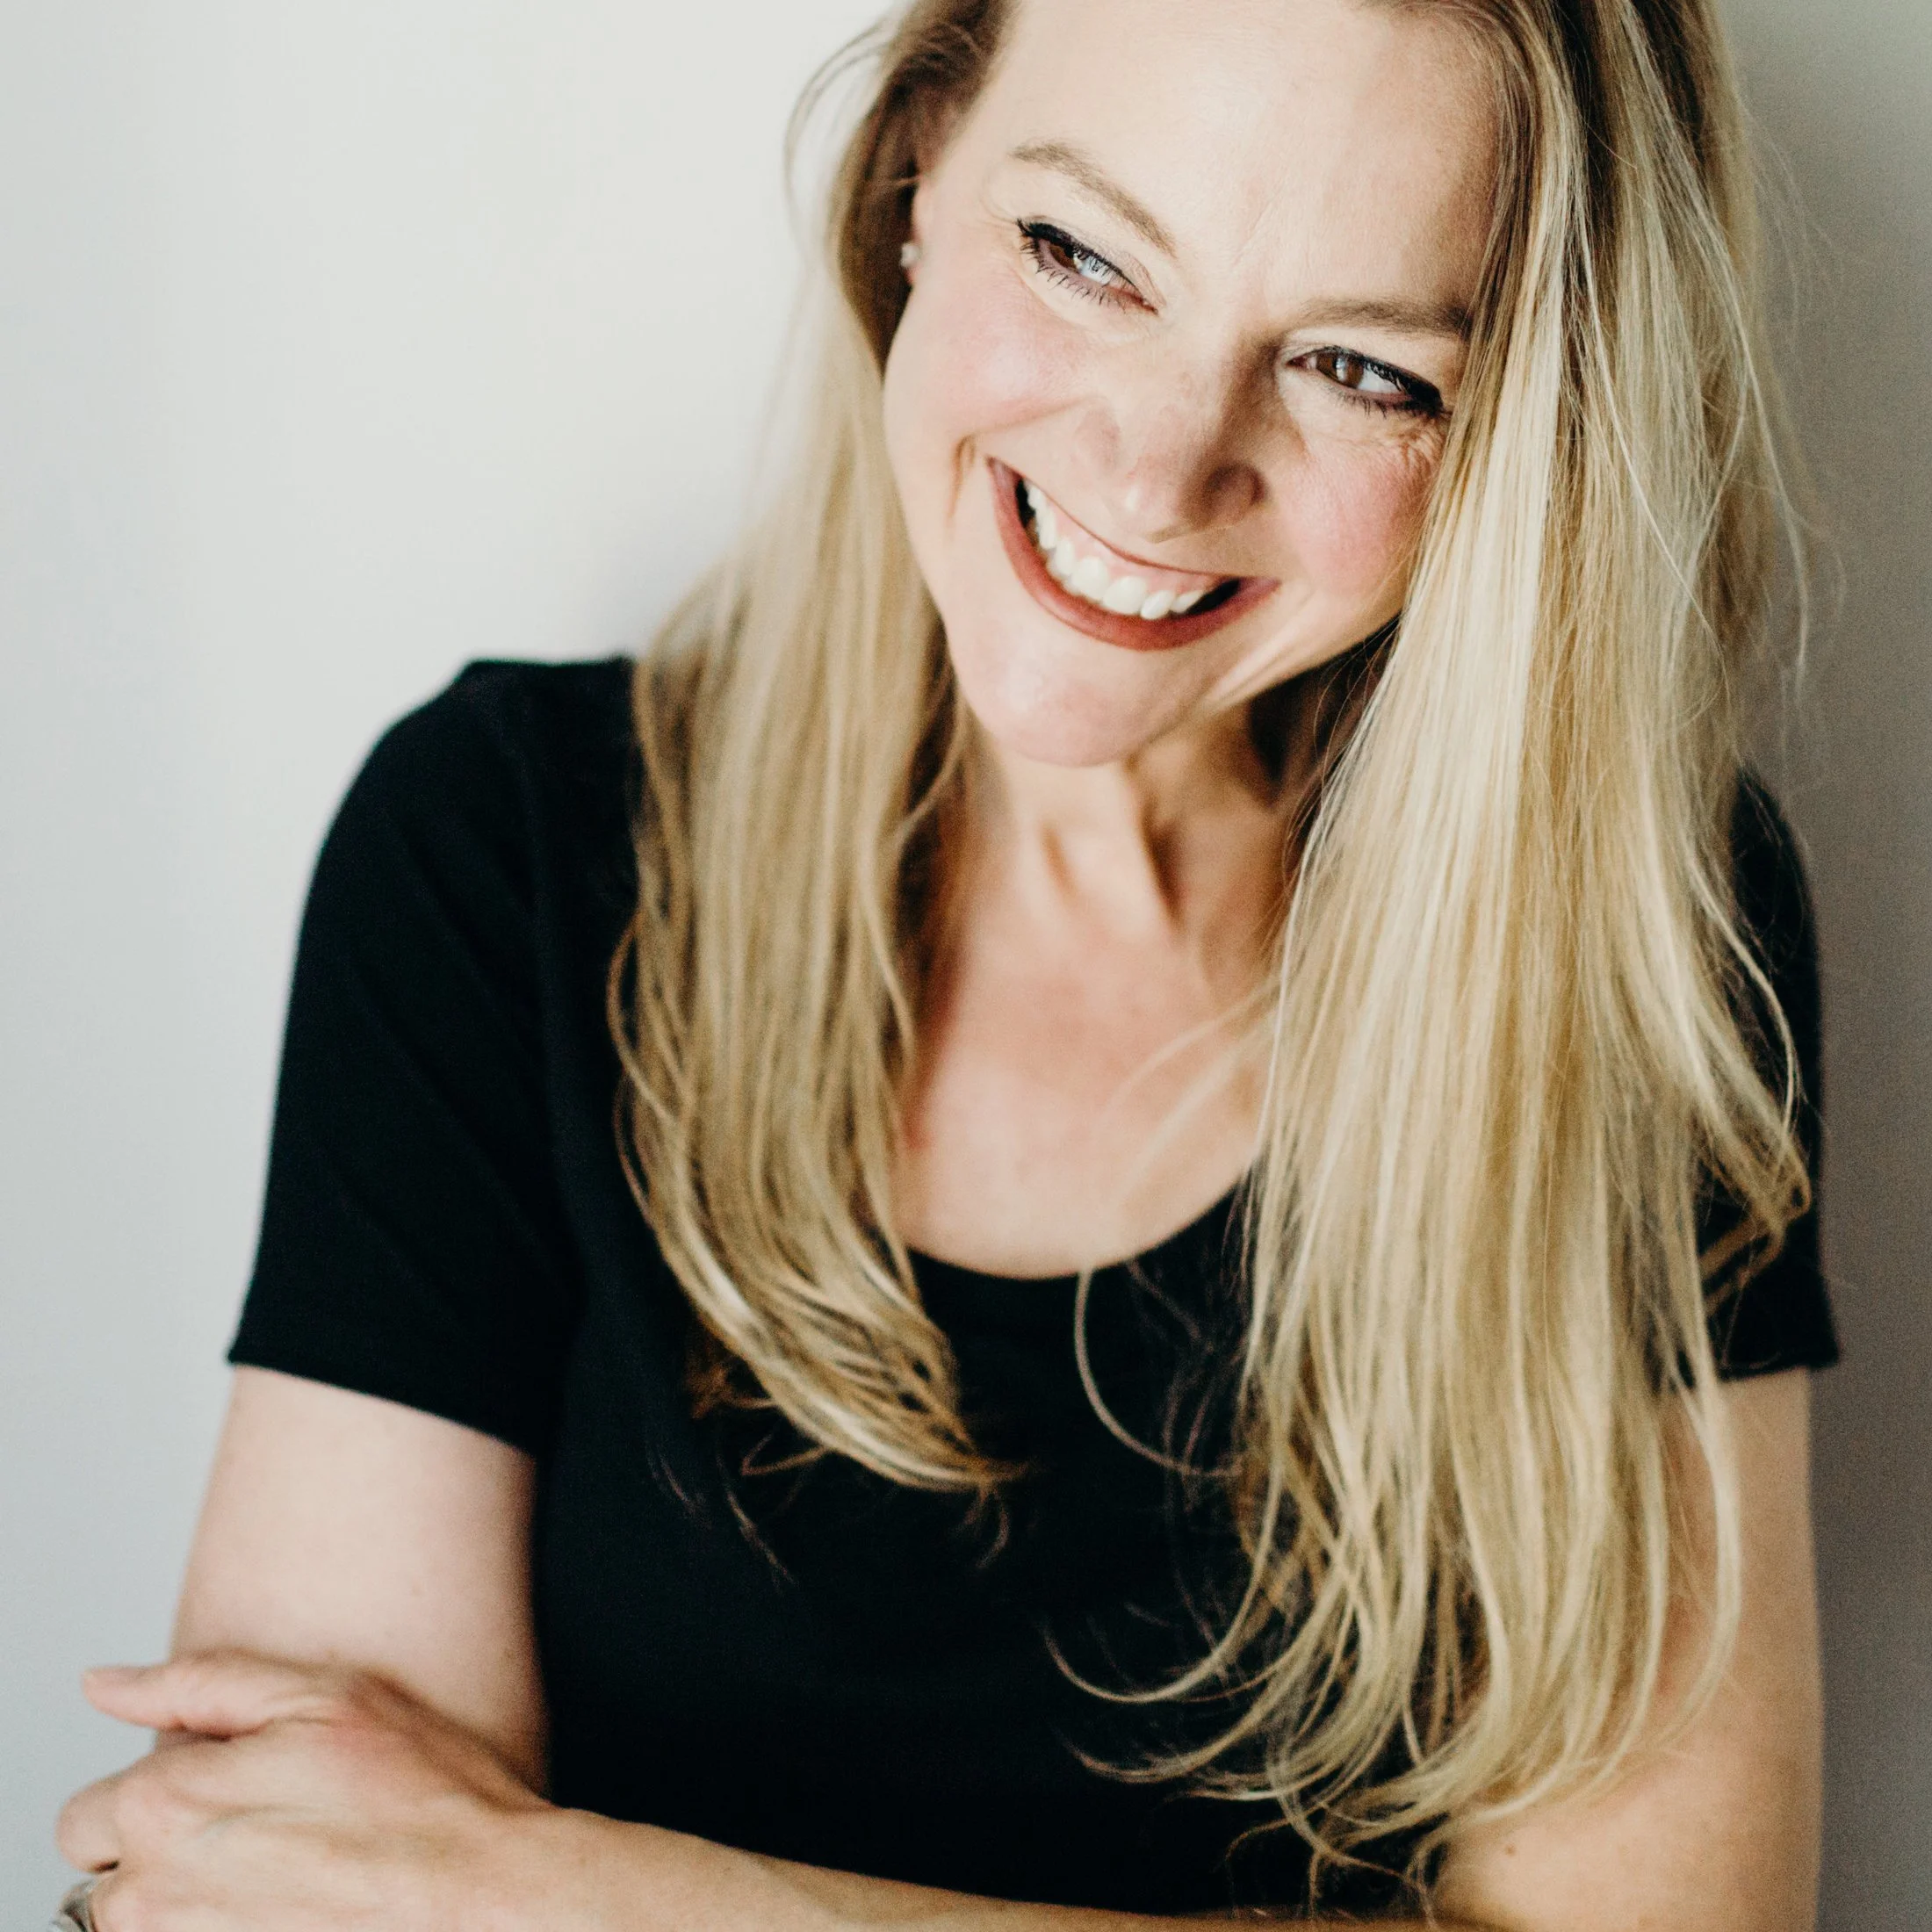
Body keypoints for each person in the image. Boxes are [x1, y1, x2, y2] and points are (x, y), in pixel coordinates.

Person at [54, 0, 1839, 1925]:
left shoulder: (1637, 940)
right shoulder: (504, 852)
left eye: (1354, 366)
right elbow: (259, 1889)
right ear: (913, 177)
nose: (1158, 472)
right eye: (1082, 257)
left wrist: (570, 1890)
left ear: (1516, 424)